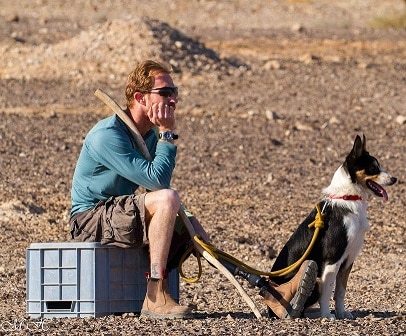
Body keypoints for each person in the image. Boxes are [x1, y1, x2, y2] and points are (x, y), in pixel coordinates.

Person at [69, 60, 317, 319]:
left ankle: (270, 293)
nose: (173, 100)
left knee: (193, 226)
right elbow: (157, 182)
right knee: (167, 199)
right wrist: (167, 133)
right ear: (140, 98)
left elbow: (153, 186)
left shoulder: (147, 136)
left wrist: (183, 217)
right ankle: (155, 294)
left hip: (120, 213)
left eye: (174, 92)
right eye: (165, 93)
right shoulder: (108, 135)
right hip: (90, 219)